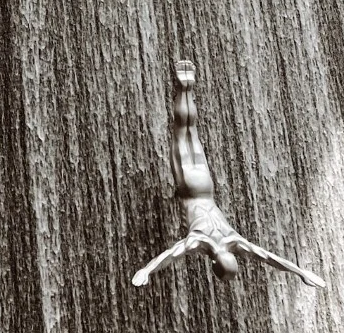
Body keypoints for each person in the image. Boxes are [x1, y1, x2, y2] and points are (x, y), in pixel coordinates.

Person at [133, 62, 324, 288]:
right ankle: (183, 89)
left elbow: (269, 257)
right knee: (181, 133)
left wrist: (301, 271)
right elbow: (171, 255)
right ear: (213, 261)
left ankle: (188, 89)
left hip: (206, 185)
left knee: (191, 133)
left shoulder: (236, 241)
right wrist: (146, 270)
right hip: (188, 188)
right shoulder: (199, 241)